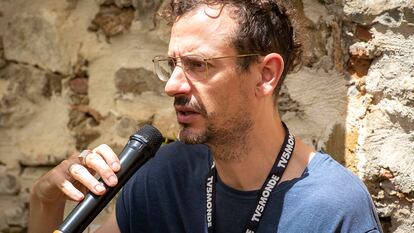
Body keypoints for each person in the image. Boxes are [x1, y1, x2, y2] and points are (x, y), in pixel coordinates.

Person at [29, 1, 383, 232]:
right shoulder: (163, 174)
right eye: (172, 65)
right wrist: (46, 199)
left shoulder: (334, 208)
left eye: (197, 65)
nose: (172, 86)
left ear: (265, 75)